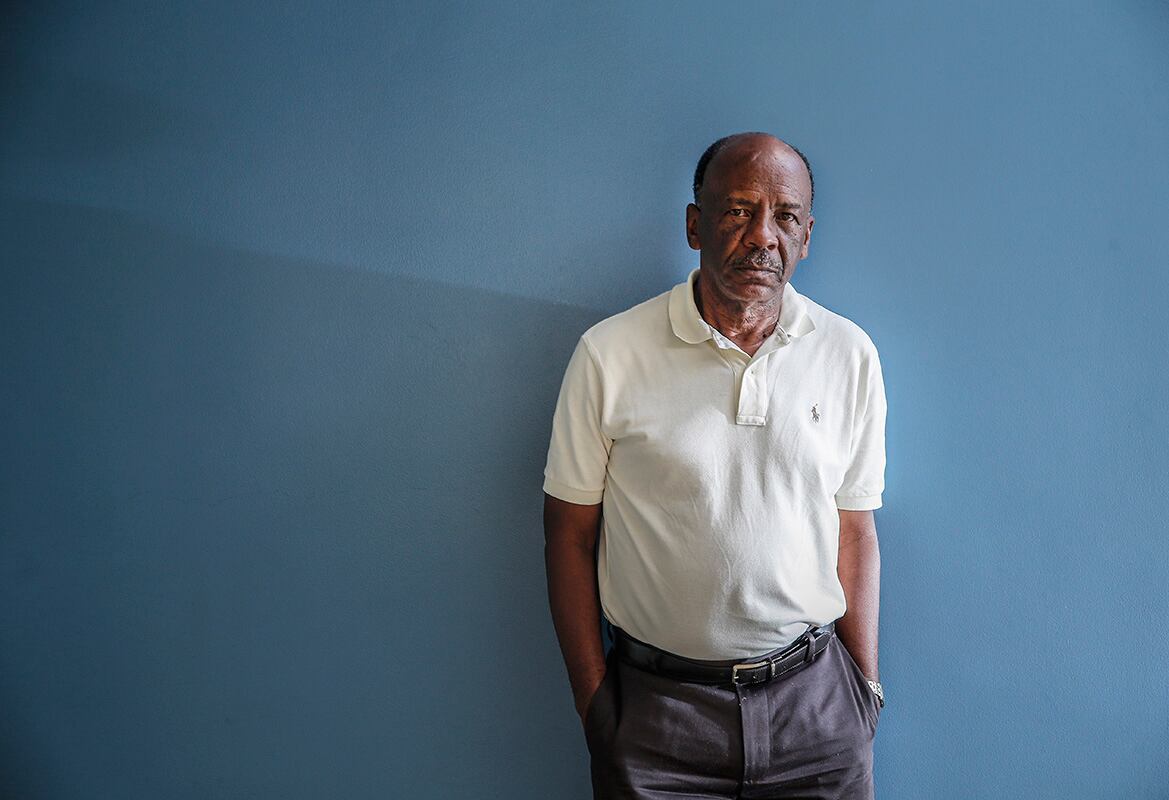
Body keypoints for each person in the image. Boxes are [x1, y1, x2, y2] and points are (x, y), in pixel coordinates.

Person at [543, 132, 887, 799]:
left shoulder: (849, 356)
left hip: (816, 714)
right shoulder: (609, 355)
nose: (762, 236)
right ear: (694, 225)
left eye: (785, 216)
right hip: (657, 721)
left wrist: (863, 690)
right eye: (737, 211)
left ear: (806, 236)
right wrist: (596, 706)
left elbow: (856, 532)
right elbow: (569, 535)